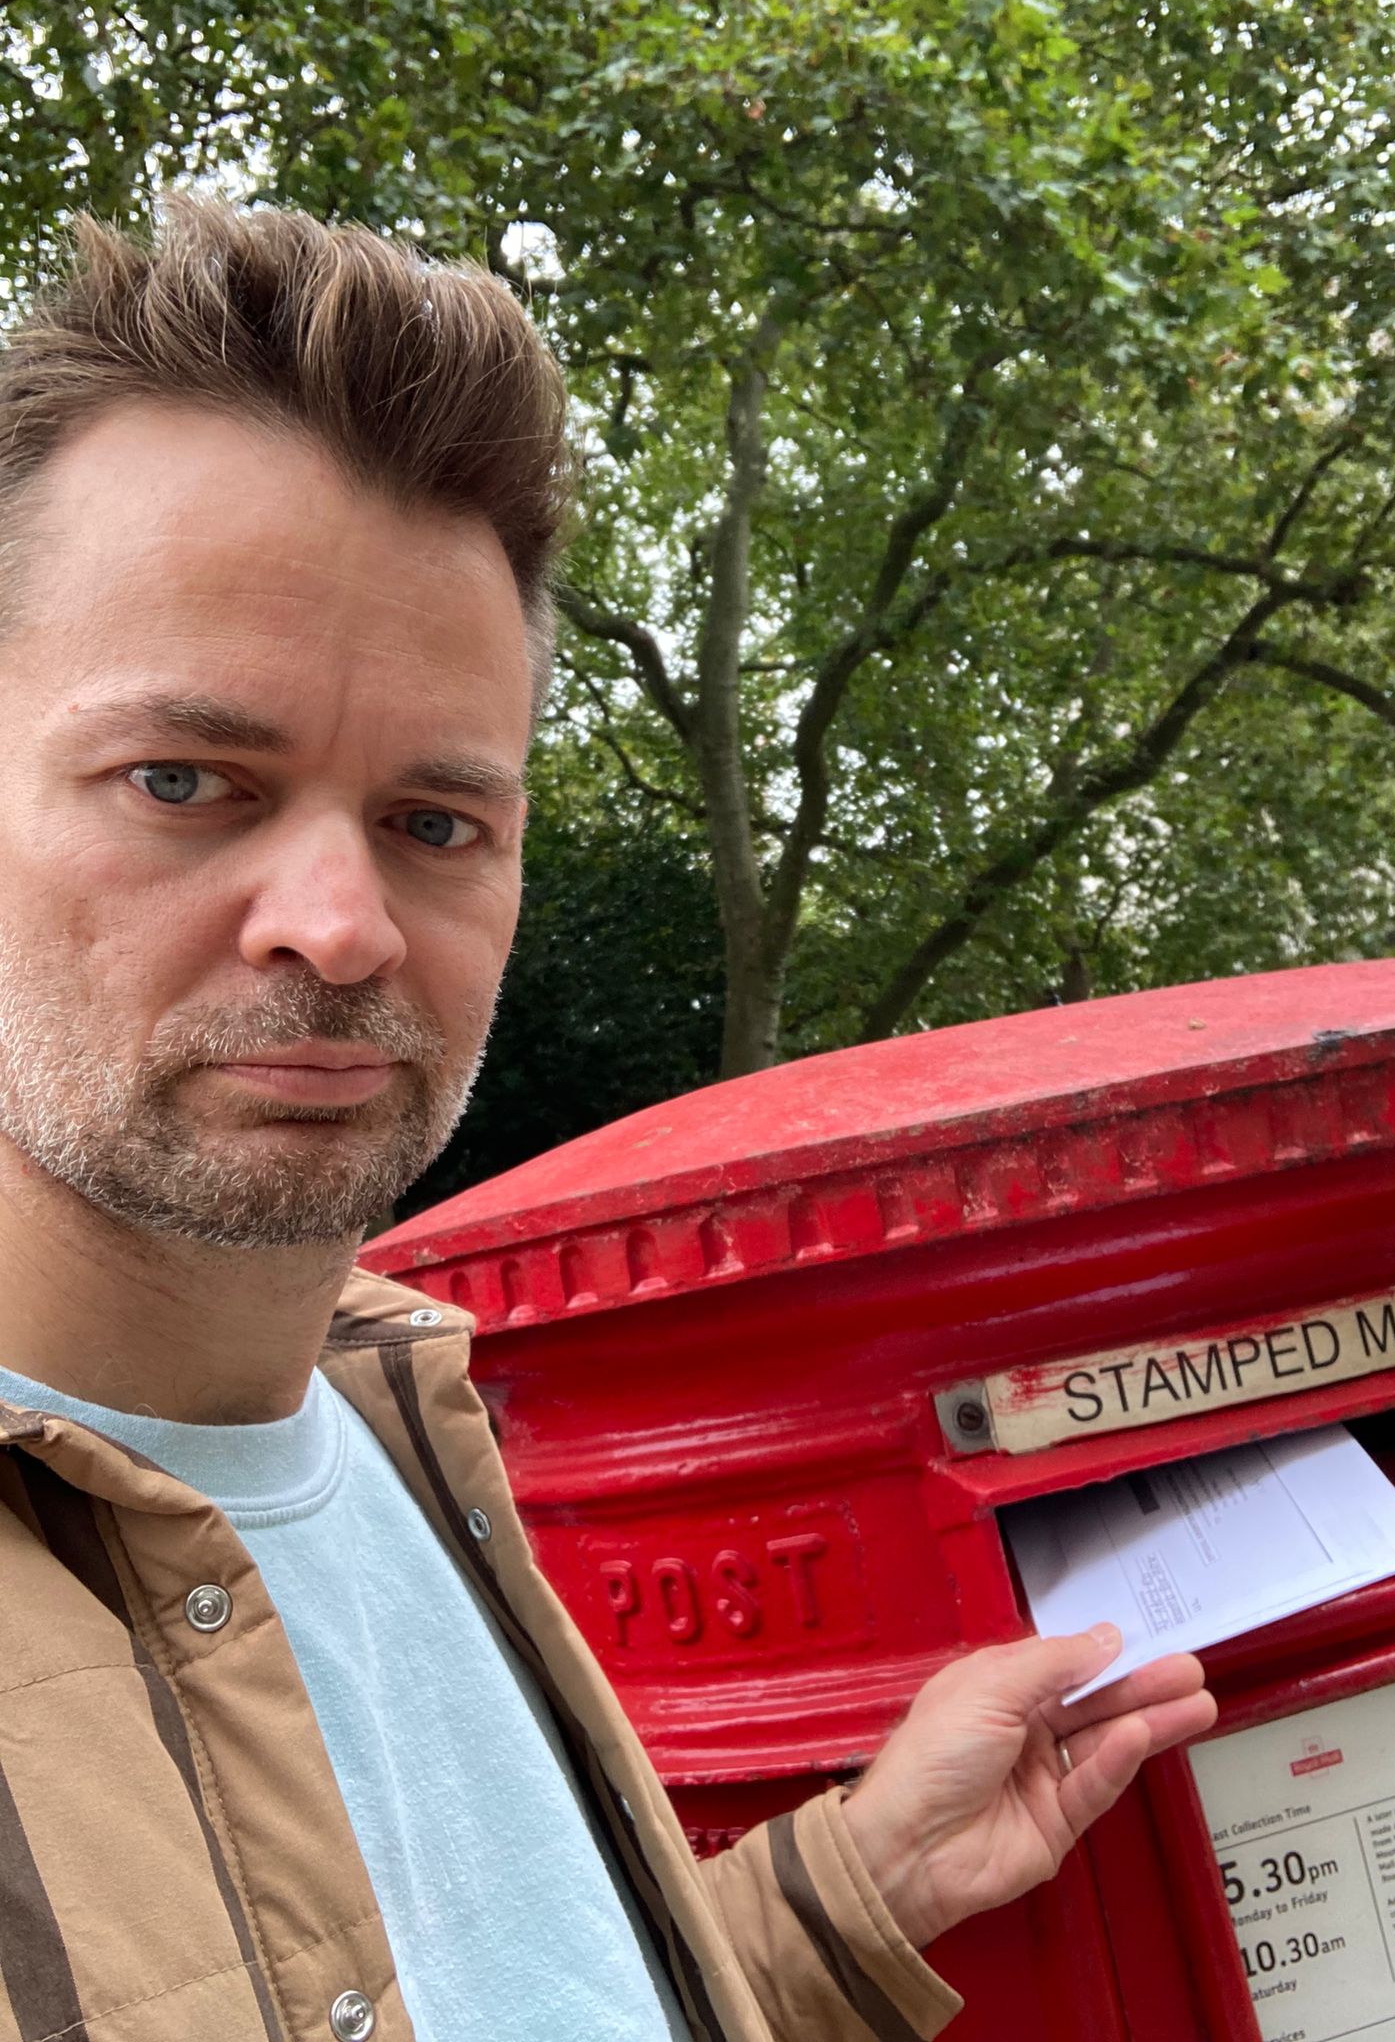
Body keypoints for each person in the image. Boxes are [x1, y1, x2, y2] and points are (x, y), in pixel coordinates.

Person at [0, 198, 1215, 2042]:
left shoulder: (404, 1416)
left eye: (436, 822)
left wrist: (849, 1892)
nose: (338, 925)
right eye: (184, 781)